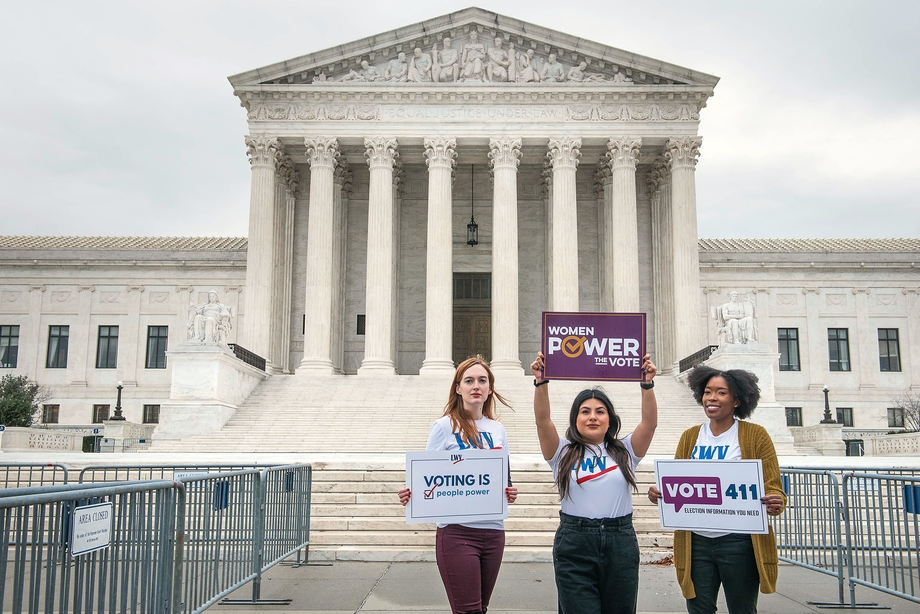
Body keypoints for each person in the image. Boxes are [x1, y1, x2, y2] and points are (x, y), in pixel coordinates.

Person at [647, 365, 786, 614]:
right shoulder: (690, 437)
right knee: (698, 609)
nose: (712, 398)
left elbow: (773, 485)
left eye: (721, 393)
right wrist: (660, 493)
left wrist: (776, 501)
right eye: (708, 392)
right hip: (697, 542)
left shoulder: (755, 435)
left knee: (742, 609)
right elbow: (679, 483)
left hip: (739, 542)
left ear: (737, 400)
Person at [530, 351, 658, 614]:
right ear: (575, 419)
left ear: (609, 418)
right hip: (575, 542)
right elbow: (543, 421)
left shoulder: (625, 451)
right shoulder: (561, 452)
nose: (592, 417)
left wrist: (647, 385)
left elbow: (649, 423)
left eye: (600, 411)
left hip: (620, 541)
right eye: (585, 411)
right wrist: (541, 382)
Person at [398, 356, 519, 614]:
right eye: (469, 380)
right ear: (458, 388)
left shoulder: (498, 430)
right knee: (468, 611)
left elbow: (503, 478)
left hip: (494, 532)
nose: (476, 385)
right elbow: (428, 476)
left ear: (490, 389)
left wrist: (509, 491)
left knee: (481, 608)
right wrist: (413, 493)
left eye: (482, 381)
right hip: (457, 533)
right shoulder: (444, 426)